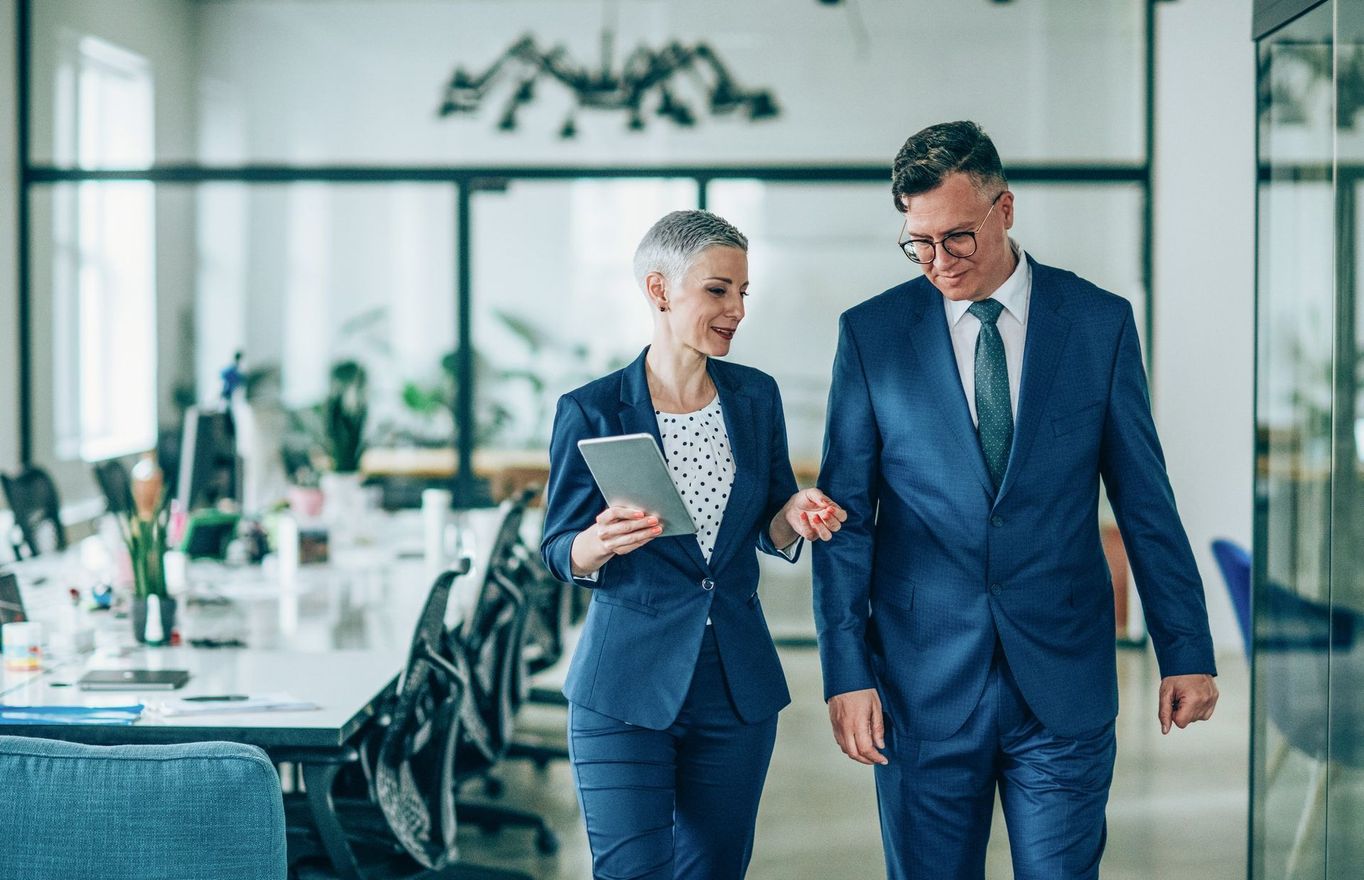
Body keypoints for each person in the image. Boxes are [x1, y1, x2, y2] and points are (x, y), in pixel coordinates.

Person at [812, 120, 1219, 880]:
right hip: (918, 680)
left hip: (1063, 677)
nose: (938, 261)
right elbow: (845, 522)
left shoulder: (1098, 323)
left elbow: (1144, 500)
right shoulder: (871, 335)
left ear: (1005, 209)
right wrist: (845, 670)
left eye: (957, 237)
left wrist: (1186, 649)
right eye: (919, 242)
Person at [541, 209, 847, 880]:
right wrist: (594, 544)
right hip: (624, 685)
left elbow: (769, 521)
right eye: (718, 290)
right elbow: (557, 547)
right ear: (659, 290)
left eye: (743, 292)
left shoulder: (754, 397)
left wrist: (796, 512)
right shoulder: (590, 409)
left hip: (735, 687)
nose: (736, 308)